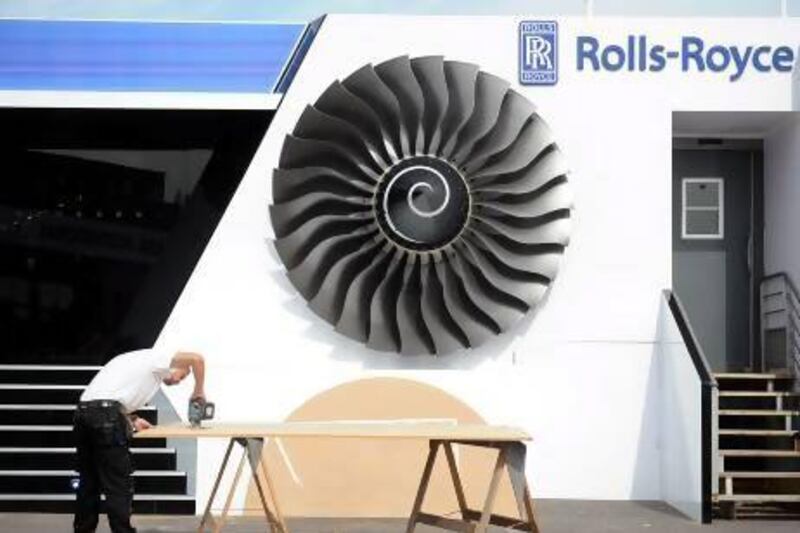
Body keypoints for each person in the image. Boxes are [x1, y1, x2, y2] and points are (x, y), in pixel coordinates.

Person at [73, 348, 206, 533]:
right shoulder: (158, 356)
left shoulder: (134, 361)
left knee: (89, 482)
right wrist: (198, 391)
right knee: (119, 484)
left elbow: (107, 397)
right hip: (106, 415)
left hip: (82, 412)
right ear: (177, 365)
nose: (178, 381)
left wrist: (132, 419)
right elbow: (197, 359)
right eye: (182, 376)